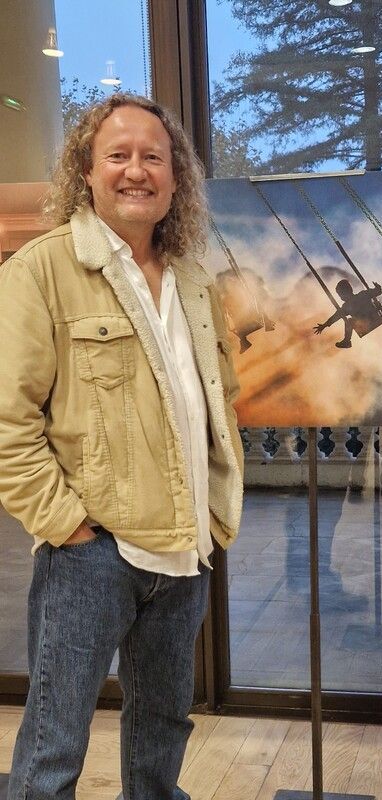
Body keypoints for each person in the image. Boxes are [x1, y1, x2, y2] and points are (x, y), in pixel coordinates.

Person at [0, 94, 244, 799]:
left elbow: (213, 401)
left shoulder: (194, 280)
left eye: (153, 157)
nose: (136, 170)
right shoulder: (41, 271)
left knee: (164, 730)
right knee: (53, 744)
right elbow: (8, 420)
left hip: (184, 550)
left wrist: (214, 512)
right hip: (92, 552)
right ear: (86, 169)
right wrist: (67, 526)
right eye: (118, 155)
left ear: (176, 178)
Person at [313, 278, 382, 348]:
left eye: (340, 295)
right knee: (377, 305)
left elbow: (335, 317)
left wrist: (324, 326)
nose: (341, 297)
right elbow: (378, 291)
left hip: (369, 322)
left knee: (351, 320)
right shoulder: (363, 294)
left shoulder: (347, 306)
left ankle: (347, 341)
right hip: (369, 322)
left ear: (345, 293)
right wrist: (378, 287)